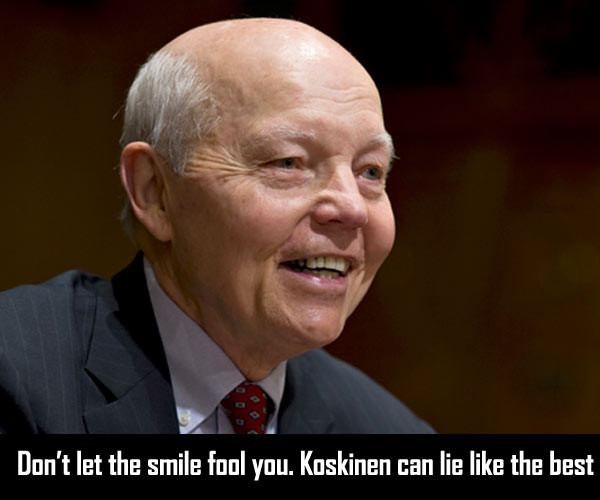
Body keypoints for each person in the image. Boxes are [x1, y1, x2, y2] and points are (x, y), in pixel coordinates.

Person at [0, 18, 432, 434]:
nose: (353, 209)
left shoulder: (388, 430)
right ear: (155, 191)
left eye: (371, 172)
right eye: (288, 162)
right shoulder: (16, 377)